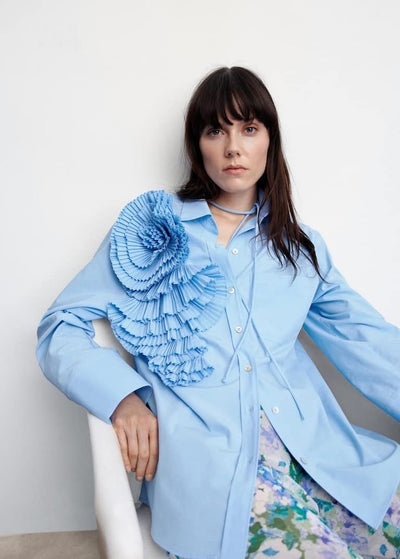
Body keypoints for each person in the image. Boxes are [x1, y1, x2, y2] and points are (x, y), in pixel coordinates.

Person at [36, 66, 400, 559]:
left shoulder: (300, 247)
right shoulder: (151, 231)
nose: (233, 148)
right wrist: (123, 398)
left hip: (320, 452)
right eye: (216, 131)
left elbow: (369, 341)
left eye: (249, 129)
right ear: (197, 145)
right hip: (213, 471)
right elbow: (59, 327)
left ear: (270, 140)